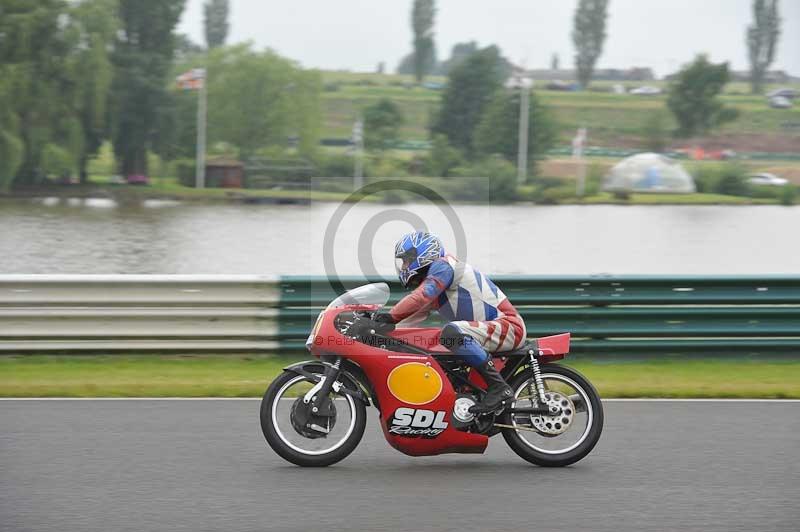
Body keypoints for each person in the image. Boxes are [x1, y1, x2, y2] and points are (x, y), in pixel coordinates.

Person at [375, 231, 526, 415]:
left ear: (422, 254)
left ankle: (499, 388)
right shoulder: (436, 283)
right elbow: (405, 322)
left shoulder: (443, 266)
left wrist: (390, 316)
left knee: (451, 333)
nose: (404, 266)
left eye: (407, 260)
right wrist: (378, 329)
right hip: (491, 330)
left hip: (508, 326)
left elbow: (420, 297)